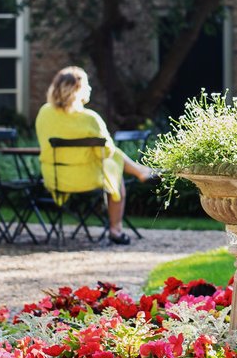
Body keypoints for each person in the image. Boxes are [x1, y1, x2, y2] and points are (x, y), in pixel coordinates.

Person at [35, 67, 157, 245]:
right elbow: (106, 152)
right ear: (80, 89)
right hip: (86, 178)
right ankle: (116, 229)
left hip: (54, 178)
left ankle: (141, 172)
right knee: (115, 171)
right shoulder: (90, 118)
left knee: (114, 160)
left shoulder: (44, 113)